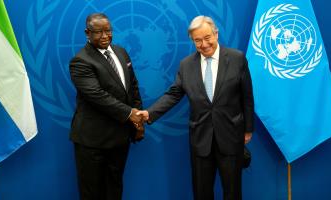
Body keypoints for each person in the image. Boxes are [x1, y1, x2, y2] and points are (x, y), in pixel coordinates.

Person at [137, 15, 254, 200]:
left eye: (207, 38)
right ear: (192, 41)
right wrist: (149, 113)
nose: (204, 44)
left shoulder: (237, 58)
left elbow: (247, 96)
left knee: (232, 192)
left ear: (216, 34)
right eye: (197, 40)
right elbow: (174, 94)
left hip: (231, 136)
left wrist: (248, 129)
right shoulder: (186, 65)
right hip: (201, 139)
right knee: (201, 192)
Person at [69, 13, 144, 200]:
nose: (105, 36)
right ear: (87, 33)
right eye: (98, 32)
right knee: (93, 193)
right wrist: (130, 114)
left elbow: (132, 86)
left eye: (108, 31)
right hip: (92, 142)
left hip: (120, 138)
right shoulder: (80, 61)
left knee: (114, 188)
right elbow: (97, 96)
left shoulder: (121, 52)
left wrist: (138, 122)